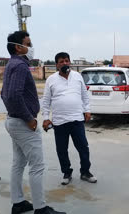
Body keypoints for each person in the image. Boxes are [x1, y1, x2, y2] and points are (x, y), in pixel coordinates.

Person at [1, 31, 66, 214]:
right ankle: (40, 208)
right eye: (28, 44)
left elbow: (5, 95)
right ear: (18, 47)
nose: (31, 48)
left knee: (18, 163)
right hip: (23, 123)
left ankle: (18, 202)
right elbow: (13, 96)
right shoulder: (20, 66)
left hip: (14, 120)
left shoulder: (12, 64)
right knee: (37, 166)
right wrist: (29, 119)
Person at [42, 52, 97, 185]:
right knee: (61, 149)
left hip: (77, 119)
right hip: (59, 121)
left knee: (83, 147)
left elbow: (84, 95)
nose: (65, 63)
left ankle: (85, 172)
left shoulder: (77, 76)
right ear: (57, 65)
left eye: (67, 61)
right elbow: (46, 101)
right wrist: (45, 117)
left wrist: (87, 110)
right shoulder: (51, 80)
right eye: (61, 61)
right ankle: (67, 173)